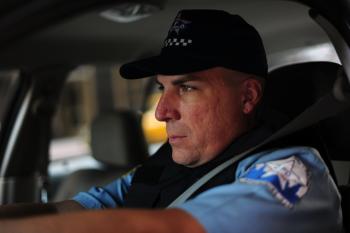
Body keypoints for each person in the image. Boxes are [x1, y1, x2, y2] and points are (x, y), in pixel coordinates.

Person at [0, 9, 343, 233]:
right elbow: (68, 212)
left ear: (248, 97)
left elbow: (178, 228)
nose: (162, 111)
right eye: (163, 88)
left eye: (188, 87)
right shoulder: (165, 164)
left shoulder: (293, 173)